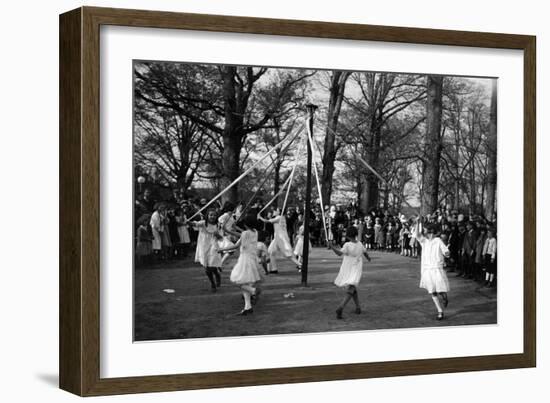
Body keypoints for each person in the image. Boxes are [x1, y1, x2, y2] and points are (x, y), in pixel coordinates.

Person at [219, 214, 262, 316]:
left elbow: (238, 236)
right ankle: (248, 307)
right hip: (252, 260)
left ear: (246, 224)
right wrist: (222, 249)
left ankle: (254, 290)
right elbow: (237, 244)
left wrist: (226, 229)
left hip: (245, 260)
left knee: (237, 280)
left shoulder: (245, 234)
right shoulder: (255, 232)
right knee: (245, 283)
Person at [329, 226, 371, 319]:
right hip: (356, 268)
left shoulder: (347, 245)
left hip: (348, 268)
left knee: (351, 287)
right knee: (352, 287)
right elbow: (365, 252)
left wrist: (331, 246)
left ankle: (341, 307)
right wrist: (368, 258)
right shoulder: (360, 244)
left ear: (347, 235)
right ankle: (358, 307)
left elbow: (339, 253)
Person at [413, 219, 451, 320]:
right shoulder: (424, 241)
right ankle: (440, 311)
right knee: (432, 292)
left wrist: (447, 253)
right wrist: (417, 223)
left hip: (437, 268)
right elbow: (417, 234)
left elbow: (445, 250)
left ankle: (444, 297)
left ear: (430, 231)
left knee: (440, 290)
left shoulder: (438, 241)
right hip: (427, 269)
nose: (423, 232)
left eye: (425, 230)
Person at [188, 209, 223, 292]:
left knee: (212, 264)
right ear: (207, 215)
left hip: (213, 246)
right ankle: (213, 282)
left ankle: (216, 274)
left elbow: (221, 238)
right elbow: (194, 224)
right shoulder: (203, 223)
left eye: (214, 215)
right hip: (204, 246)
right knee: (207, 267)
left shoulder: (218, 225)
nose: (212, 217)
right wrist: (187, 221)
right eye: (211, 215)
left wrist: (217, 235)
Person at [258, 207, 301, 273]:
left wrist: (260, 217)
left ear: (279, 212)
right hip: (277, 238)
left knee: (288, 254)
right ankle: (273, 269)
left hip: (281, 239)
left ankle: (300, 265)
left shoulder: (279, 218)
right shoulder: (281, 217)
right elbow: (271, 220)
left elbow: (267, 221)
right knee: (271, 251)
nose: (274, 211)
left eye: (276, 210)